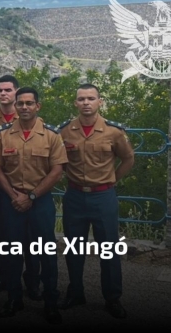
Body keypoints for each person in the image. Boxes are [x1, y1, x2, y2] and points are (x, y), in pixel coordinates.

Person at [58, 84, 134, 319]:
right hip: (75, 196)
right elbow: (57, 162)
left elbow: (128, 159)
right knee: (73, 248)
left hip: (103, 196)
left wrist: (111, 181)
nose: (86, 103)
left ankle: (112, 298)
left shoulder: (113, 132)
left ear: (100, 101)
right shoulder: (65, 131)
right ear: (75, 103)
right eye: (81, 99)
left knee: (109, 249)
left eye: (91, 98)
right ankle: (76, 292)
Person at [0, 87, 67, 324]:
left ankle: (50, 301)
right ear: (15, 106)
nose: (24, 107)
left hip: (40, 201)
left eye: (29, 103)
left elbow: (57, 171)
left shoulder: (51, 136)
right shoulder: (3, 135)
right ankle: (14, 299)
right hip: (12, 201)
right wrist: (14, 196)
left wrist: (31, 196)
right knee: (13, 253)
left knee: (46, 253)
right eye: (20, 103)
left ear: (38, 106)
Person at [0, 75, 40, 299]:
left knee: (31, 235)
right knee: (1, 233)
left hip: (25, 185)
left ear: (16, 93)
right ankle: (3, 275)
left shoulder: (26, 115)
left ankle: (33, 279)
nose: (3, 93)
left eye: (8, 90)